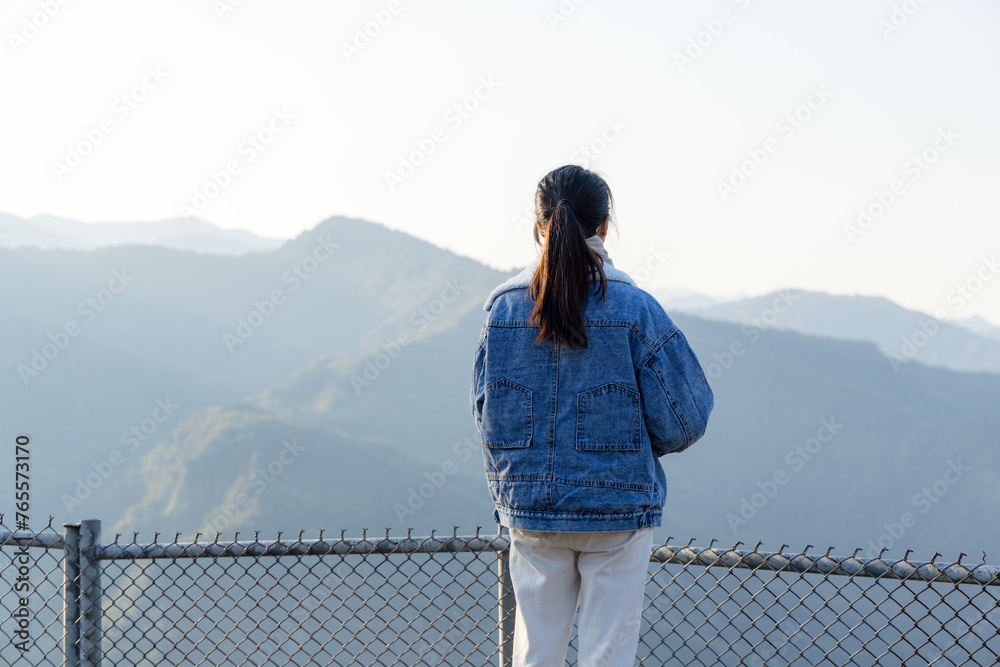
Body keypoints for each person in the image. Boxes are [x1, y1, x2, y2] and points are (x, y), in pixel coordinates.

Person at [470, 164, 714, 667]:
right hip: (618, 510)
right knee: (608, 655)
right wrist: (629, 441)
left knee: (534, 653)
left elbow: (487, 415)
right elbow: (685, 419)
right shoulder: (636, 308)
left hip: (531, 507)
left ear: (539, 225)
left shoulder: (502, 311)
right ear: (604, 225)